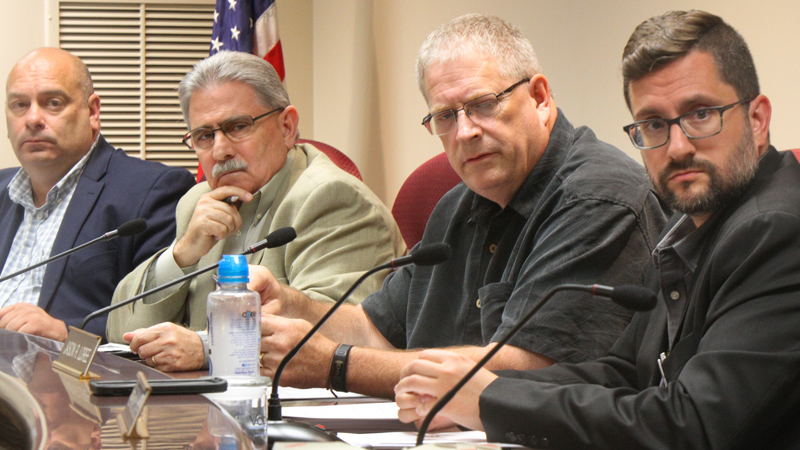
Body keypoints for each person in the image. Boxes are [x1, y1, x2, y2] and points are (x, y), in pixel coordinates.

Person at [395, 10, 800, 449]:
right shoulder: (694, 224)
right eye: (653, 125)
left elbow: (694, 424)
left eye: (700, 114)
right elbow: (623, 372)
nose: (677, 147)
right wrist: (471, 390)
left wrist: (491, 400)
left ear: (757, 120)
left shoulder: (775, 233)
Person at [251, 13, 666, 399]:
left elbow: (529, 368)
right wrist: (290, 303)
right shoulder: (455, 207)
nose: (464, 131)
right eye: (445, 116)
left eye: (484, 104)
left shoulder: (598, 198)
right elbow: (374, 329)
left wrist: (335, 366)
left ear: (539, 97)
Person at [106, 50, 406, 372]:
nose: (220, 149)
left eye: (237, 126)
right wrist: (181, 256)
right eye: (204, 136)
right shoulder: (198, 202)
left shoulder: (333, 198)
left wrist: (207, 348)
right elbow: (119, 331)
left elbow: (341, 339)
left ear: (287, 127)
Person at [0, 48, 195, 341]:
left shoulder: (152, 190)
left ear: (92, 112)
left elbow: (159, 318)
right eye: (19, 105)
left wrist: (64, 332)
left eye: (53, 103)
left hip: (67, 379)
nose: (33, 119)